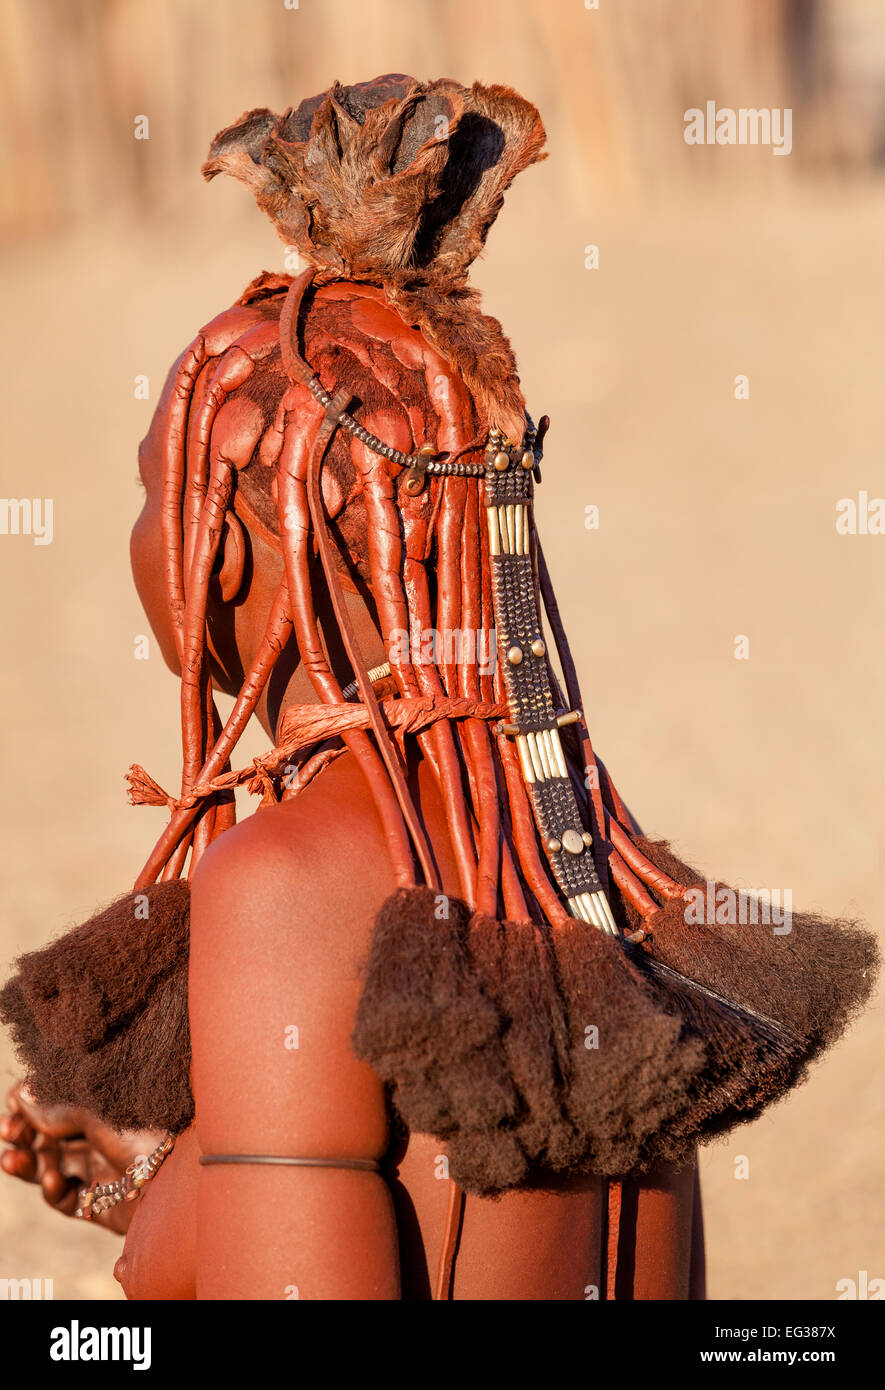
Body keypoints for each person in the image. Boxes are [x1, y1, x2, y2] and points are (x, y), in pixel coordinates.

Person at [1, 75, 874, 1300]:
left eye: (156, 488)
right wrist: (172, 1182)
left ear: (240, 535)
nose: (143, 535)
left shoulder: (287, 887)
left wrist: (161, 1237)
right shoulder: (579, 853)